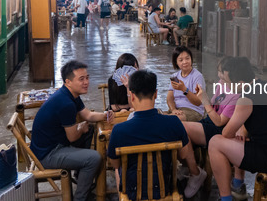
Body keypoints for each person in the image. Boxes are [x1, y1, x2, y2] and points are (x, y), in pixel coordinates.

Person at [207, 57, 267, 201]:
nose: (223, 83)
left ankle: (226, 198)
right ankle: (238, 185)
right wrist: (243, 128)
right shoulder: (261, 85)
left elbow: (226, 133)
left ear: (239, 84)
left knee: (215, 143)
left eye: (226, 81)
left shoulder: (246, 98)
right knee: (238, 137)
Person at [31, 60, 112, 201]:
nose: (86, 82)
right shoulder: (66, 103)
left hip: (52, 145)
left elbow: (88, 115)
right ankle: (81, 197)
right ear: (68, 82)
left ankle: (80, 175)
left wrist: (107, 115)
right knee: (94, 158)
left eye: (87, 77)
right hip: (47, 154)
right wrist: (80, 128)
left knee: (90, 129)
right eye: (81, 79)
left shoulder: (70, 95)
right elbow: (73, 137)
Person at [108, 70, 189, 200]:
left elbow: (116, 164)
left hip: (133, 192)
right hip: (164, 188)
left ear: (131, 96)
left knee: (120, 170)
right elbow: (184, 155)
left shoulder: (119, 130)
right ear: (156, 94)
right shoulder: (174, 123)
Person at [180, 57, 243, 198]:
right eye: (219, 71)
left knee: (181, 128)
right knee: (178, 129)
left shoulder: (236, 95)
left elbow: (220, 122)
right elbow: (213, 105)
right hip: (209, 121)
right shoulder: (222, 83)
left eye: (222, 73)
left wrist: (204, 101)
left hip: (218, 130)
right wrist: (202, 96)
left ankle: (195, 174)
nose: (219, 76)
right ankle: (191, 168)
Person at [167, 46, 205, 122]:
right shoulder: (175, 76)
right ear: (176, 62)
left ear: (191, 59)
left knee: (170, 120)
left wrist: (184, 89)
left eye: (187, 58)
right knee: (156, 116)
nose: (185, 62)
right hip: (177, 110)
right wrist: (173, 109)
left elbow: (198, 102)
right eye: (181, 60)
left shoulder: (197, 76)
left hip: (193, 111)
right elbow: (169, 98)